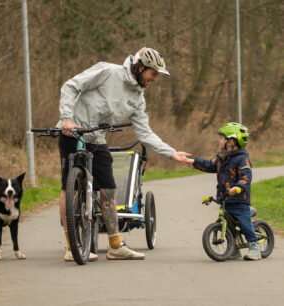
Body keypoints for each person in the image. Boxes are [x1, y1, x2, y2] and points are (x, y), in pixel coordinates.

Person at [57, 47, 191, 262]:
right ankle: (71, 245)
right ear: (140, 68)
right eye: (153, 74)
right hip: (72, 133)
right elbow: (71, 86)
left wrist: (172, 153)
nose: (155, 79)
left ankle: (115, 246)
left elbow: (145, 133)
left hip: (97, 139)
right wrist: (66, 118)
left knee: (109, 190)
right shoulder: (108, 72)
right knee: (68, 187)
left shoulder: (138, 98)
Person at [184, 122, 261, 260]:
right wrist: (194, 162)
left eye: (222, 138)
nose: (219, 140)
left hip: (239, 200)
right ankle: (234, 249)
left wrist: (238, 187)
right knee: (229, 225)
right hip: (225, 199)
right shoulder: (222, 158)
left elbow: (246, 176)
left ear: (231, 142)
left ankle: (254, 246)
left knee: (244, 222)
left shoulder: (242, 158)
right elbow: (209, 165)